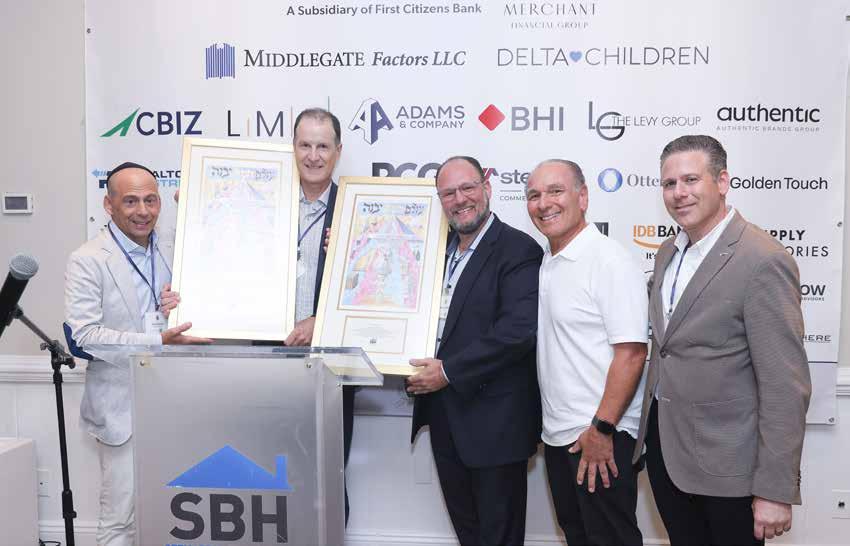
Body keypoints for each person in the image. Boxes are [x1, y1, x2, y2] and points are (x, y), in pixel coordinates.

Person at [632, 135, 812, 545]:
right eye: (669, 183)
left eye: (691, 180)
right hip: (668, 457)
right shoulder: (667, 252)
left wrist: (775, 490)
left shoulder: (762, 259)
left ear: (723, 181)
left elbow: (785, 385)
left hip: (730, 470)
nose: (679, 193)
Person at [64, 162, 210, 546]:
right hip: (121, 407)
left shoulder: (173, 247)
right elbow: (85, 335)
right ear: (108, 205)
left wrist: (176, 306)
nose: (142, 211)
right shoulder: (87, 259)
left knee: (177, 514)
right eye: (130, 201)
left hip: (175, 401)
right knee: (120, 521)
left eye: (150, 200)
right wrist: (157, 340)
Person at [408, 155, 543, 546]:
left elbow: (518, 332)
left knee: (499, 537)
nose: (460, 199)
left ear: (487, 187)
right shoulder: (436, 254)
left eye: (467, 187)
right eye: (448, 193)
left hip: (495, 425)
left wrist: (447, 371)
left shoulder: (518, 250)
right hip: (444, 419)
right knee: (469, 534)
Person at [525, 159, 648, 546]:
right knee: (578, 536)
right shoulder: (548, 261)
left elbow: (632, 353)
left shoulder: (609, 260)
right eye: (534, 195)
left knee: (610, 539)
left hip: (599, 436)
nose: (544, 203)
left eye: (555, 191)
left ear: (583, 197)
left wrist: (602, 429)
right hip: (560, 435)